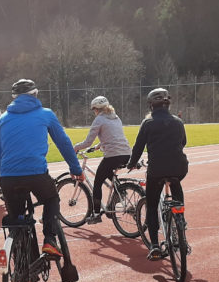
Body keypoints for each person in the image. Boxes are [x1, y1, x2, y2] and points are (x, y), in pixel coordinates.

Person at [0, 79, 84, 257]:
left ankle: (21, 264)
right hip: (36, 173)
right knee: (51, 199)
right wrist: (76, 169)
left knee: (16, 220)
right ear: (35, 94)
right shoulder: (46, 114)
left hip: (8, 177)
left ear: (14, 98)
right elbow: (63, 143)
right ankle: (50, 240)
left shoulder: (2, 119)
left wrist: (1, 178)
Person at [127, 88, 188, 261]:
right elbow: (183, 142)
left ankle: (154, 245)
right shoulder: (178, 122)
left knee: (152, 205)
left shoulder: (148, 123)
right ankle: (180, 218)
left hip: (157, 170)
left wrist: (131, 164)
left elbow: (138, 147)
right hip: (179, 167)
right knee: (175, 183)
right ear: (168, 104)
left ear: (151, 105)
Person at [73, 95, 131, 224]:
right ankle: (120, 192)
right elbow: (113, 136)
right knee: (108, 171)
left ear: (96, 109)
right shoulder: (116, 117)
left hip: (113, 155)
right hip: (126, 153)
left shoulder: (99, 119)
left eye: (94, 109)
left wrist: (75, 147)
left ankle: (96, 214)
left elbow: (88, 141)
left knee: (98, 182)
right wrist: (98, 146)